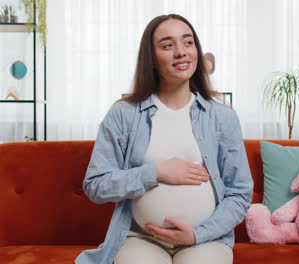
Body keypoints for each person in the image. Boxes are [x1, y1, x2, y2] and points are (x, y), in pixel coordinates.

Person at [75, 14, 253, 264]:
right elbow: (95, 184)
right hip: (140, 239)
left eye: (188, 43)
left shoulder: (222, 117)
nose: (181, 52)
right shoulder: (123, 114)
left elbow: (240, 194)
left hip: (205, 240)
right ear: (151, 59)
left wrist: (197, 234)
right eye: (168, 45)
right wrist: (156, 172)